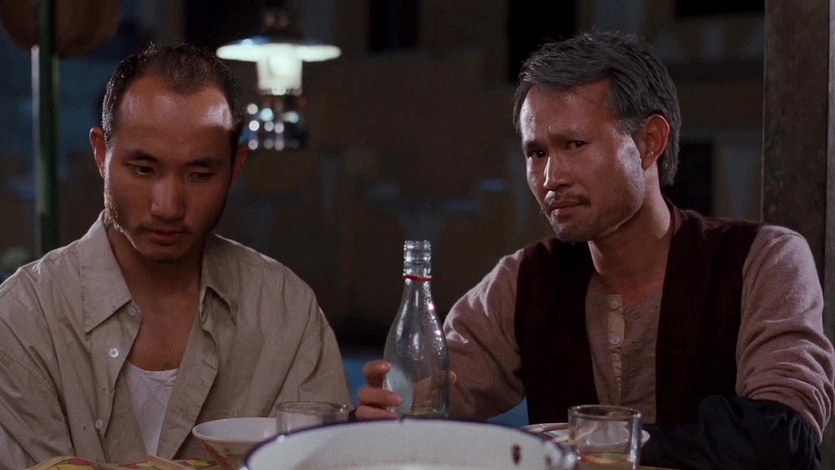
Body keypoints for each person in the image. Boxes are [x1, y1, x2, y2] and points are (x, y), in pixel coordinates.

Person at [357, 31, 835, 469]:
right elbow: (430, 409)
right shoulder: (527, 280)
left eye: (575, 144)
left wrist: (598, 443)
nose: (551, 178)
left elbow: (783, 437)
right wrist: (395, 413)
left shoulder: (761, 260)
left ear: (649, 142)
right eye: (537, 152)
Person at [0, 43, 351, 467]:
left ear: (235, 168)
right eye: (143, 169)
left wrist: (369, 445)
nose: (167, 206)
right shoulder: (24, 317)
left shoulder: (285, 311)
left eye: (200, 174)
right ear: (102, 154)